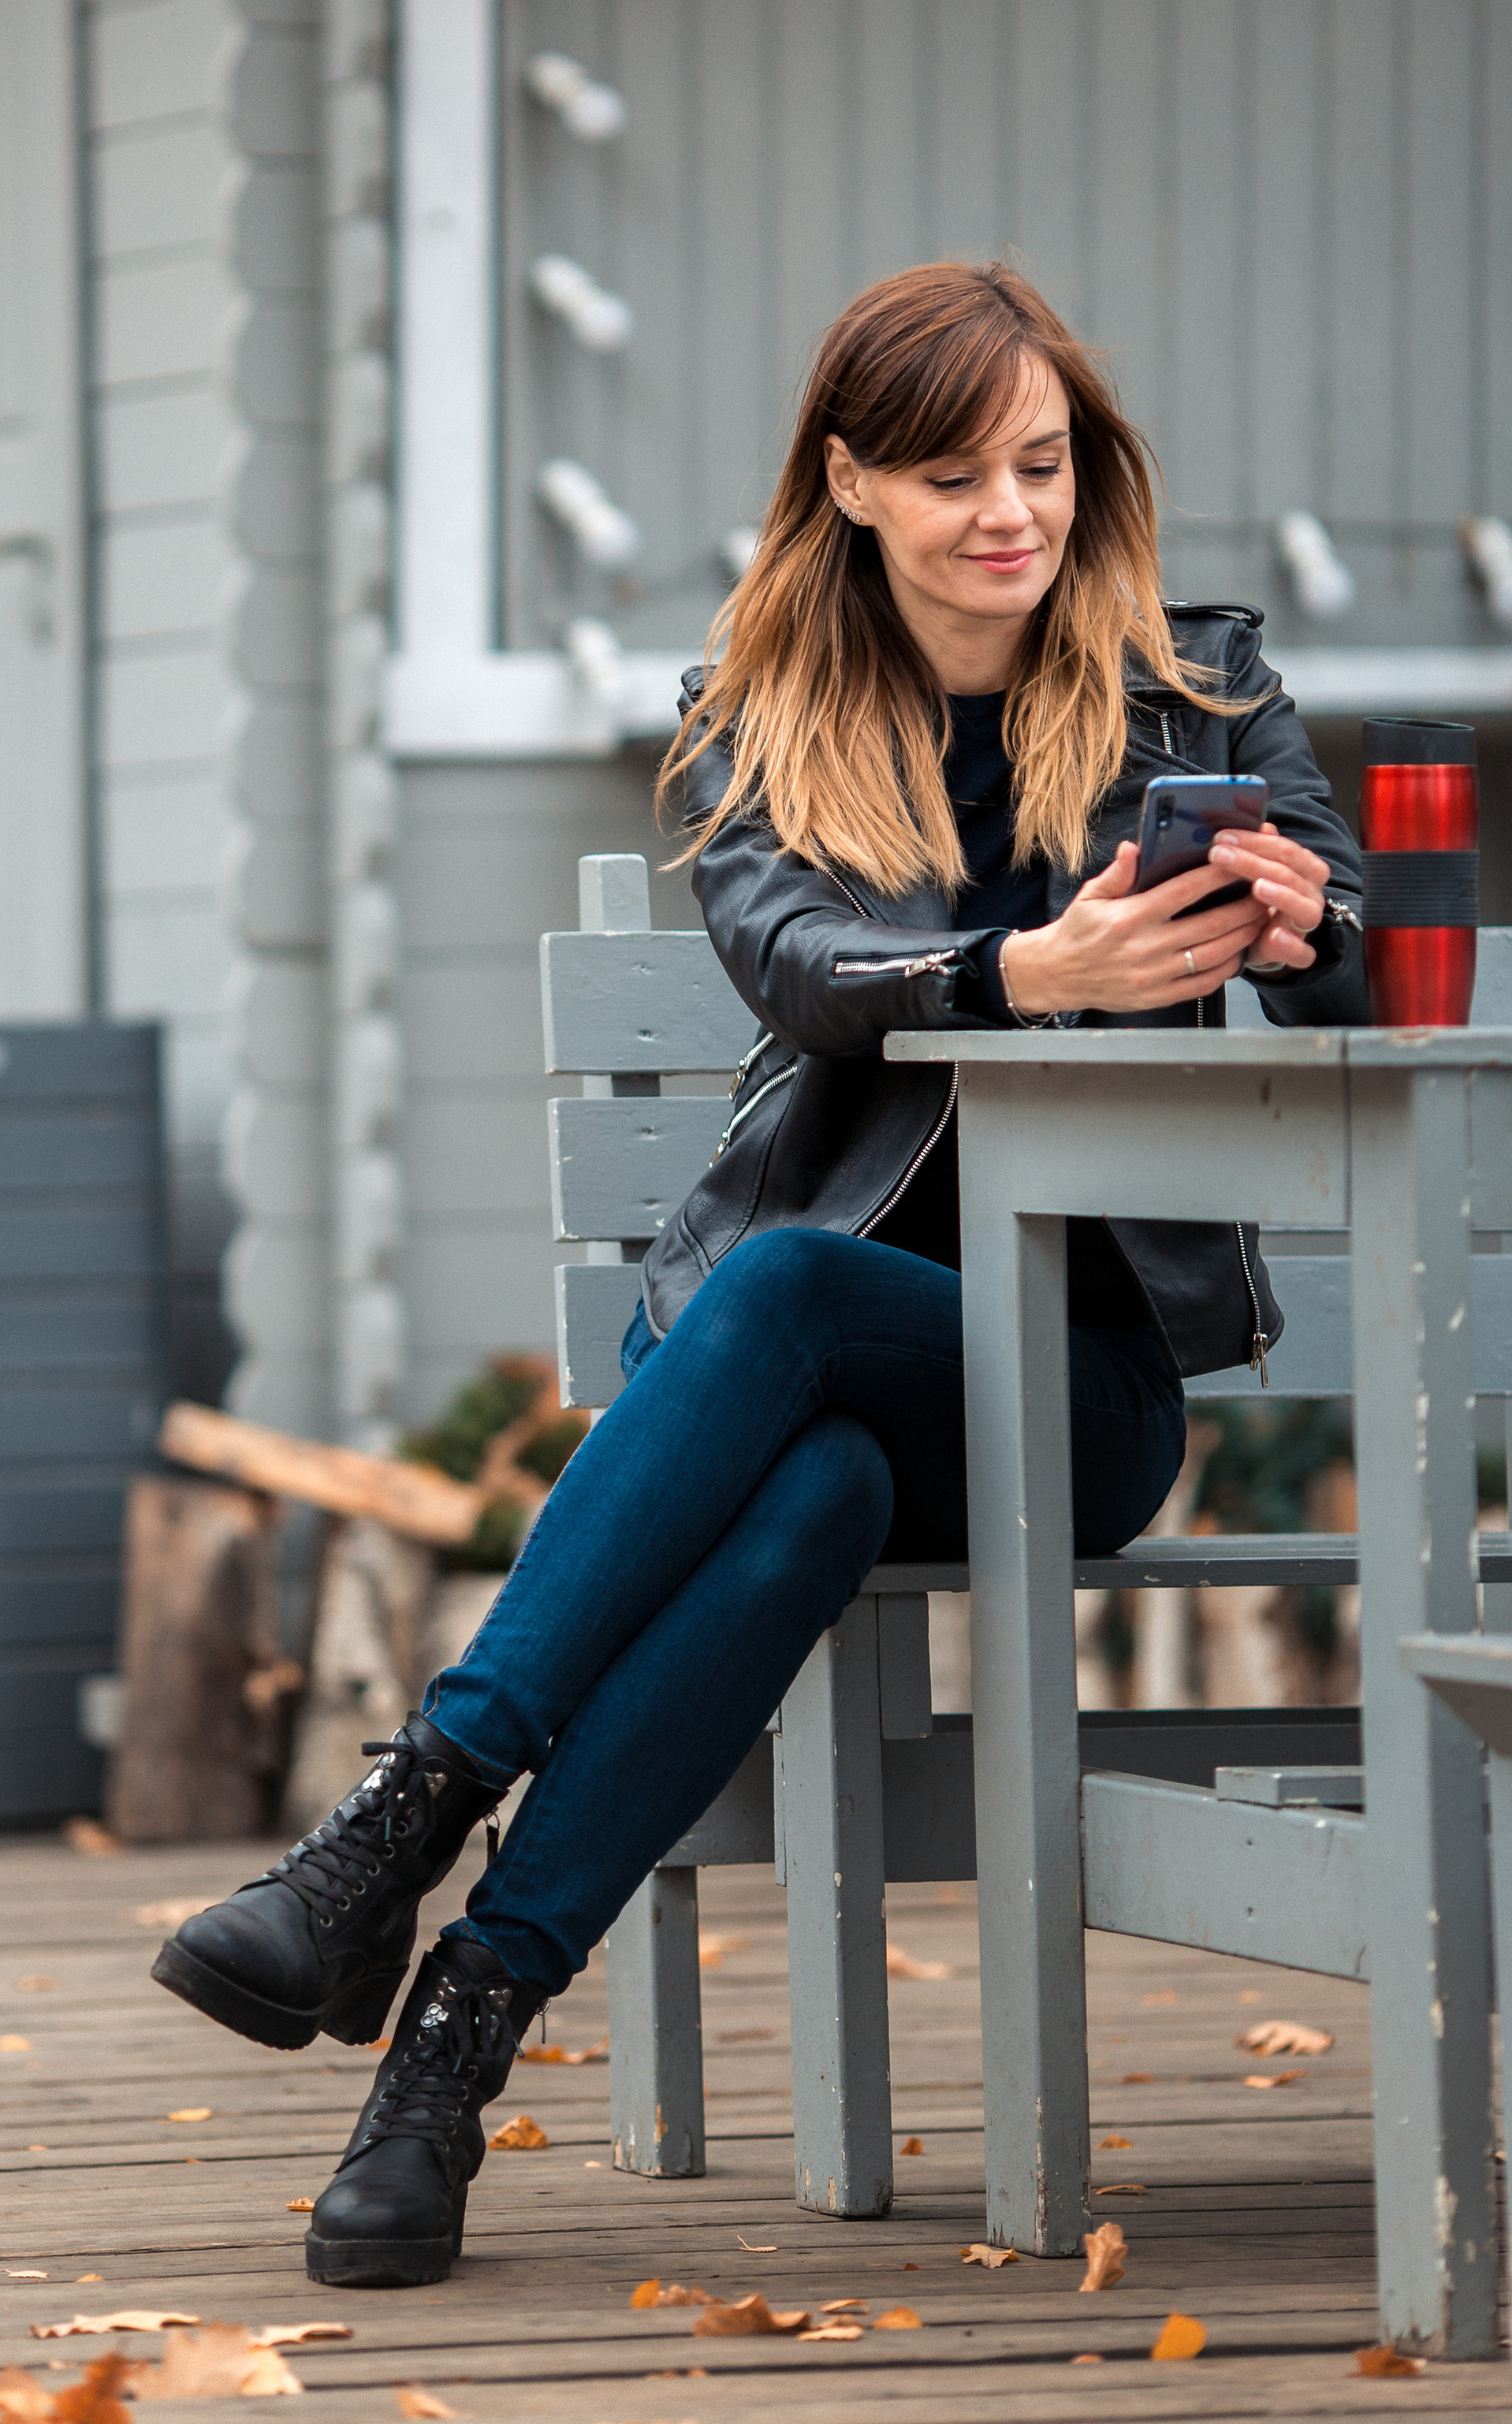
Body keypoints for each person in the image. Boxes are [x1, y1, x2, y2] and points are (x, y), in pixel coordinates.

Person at [152, 261, 1368, 2290]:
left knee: (793, 1294)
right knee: (812, 1483)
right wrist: (1016, 972)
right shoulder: (761, 713)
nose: (1009, 513)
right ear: (850, 481)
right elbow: (800, 971)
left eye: (1040, 463)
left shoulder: (1201, 686)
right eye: (954, 475)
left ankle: (397, 1823)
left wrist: (1300, 921)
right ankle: (450, 2050)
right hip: (800, 1378)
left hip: (1070, 1393)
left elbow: (1347, 966)